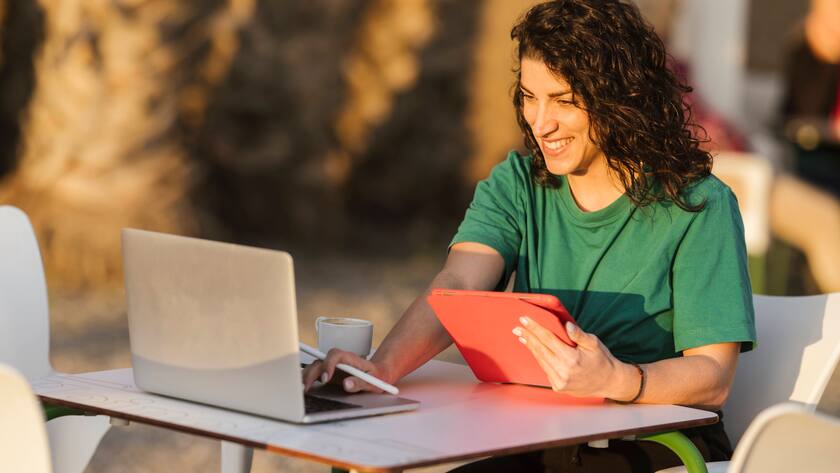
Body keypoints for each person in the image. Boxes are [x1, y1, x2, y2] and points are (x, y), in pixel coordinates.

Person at [303, 1, 756, 471]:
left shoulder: (698, 205)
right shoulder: (517, 183)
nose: (541, 123)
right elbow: (460, 282)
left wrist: (616, 379)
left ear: (621, 96)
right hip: (543, 437)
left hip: (659, 443)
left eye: (562, 100)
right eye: (528, 96)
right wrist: (383, 368)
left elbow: (713, 377)